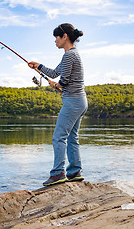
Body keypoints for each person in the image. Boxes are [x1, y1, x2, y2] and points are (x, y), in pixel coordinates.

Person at [28, 23, 88, 187]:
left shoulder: (70, 56)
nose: (55, 40)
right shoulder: (71, 54)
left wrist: (57, 85)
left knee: (58, 137)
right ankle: (75, 172)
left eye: (56, 37)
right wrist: (38, 66)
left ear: (65, 37)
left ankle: (57, 174)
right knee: (72, 138)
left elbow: (64, 80)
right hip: (80, 101)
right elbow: (55, 73)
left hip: (73, 101)